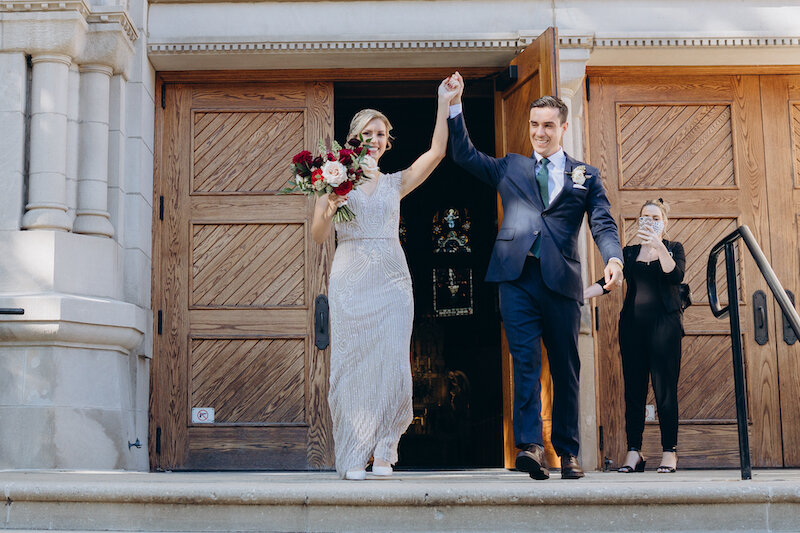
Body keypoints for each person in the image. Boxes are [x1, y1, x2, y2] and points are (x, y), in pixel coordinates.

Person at [446, 73, 624, 480]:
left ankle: (568, 452)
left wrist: (613, 259)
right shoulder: (511, 167)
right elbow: (465, 156)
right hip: (515, 277)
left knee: (565, 367)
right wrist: (455, 106)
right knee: (524, 361)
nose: (539, 133)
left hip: (562, 282)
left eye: (547, 125)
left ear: (563, 127)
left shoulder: (586, 175)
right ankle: (529, 447)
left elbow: (602, 222)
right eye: (533, 125)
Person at [311, 77, 459, 480]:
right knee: (352, 365)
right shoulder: (333, 179)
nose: (375, 139)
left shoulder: (396, 183)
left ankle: (384, 452)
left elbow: (438, 151)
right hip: (351, 276)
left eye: (381, 134)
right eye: (368, 133)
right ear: (353, 139)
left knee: (393, 364)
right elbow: (318, 235)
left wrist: (445, 102)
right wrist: (329, 205)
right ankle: (354, 452)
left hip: (393, 280)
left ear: (387, 141)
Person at [584, 199, 685, 473]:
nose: (650, 221)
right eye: (645, 217)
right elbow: (609, 284)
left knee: (665, 392)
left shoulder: (674, 249)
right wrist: (579, 295)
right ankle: (634, 452)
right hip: (632, 329)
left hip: (665, 328)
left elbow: (674, 275)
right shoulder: (628, 253)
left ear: (664, 222)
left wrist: (658, 245)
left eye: (655, 217)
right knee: (634, 392)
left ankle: (669, 452)